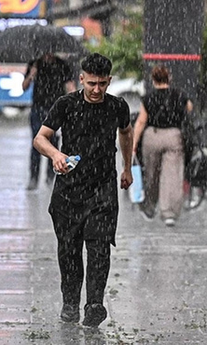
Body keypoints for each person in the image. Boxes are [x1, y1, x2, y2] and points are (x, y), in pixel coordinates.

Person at [33, 53, 133, 327]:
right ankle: (69, 301)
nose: (97, 89)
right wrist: (55, 155)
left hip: (103, 187)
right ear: (81, 79)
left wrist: (127, 166)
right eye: (91, 83)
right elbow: (40, 138)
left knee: (100, 248)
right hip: (69, 189)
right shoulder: (66, 105)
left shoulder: (117, 106)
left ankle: (94, 304)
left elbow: (126, 132)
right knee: (69, 250)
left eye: (102, 83)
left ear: (109, 81)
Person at [132, 65, 193, 227]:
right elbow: (189, 108)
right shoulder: (179, 95)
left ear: (153, 80)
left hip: (152, 136)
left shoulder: (148, 97)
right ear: (169, 78)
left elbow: (141, 121)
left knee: (152, 174)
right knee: (172, 175)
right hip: (174, 136)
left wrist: (133, 143)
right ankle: (169, 213)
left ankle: (150, 206)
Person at [23, 52, 76, 190]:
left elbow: (70, 85)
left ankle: (51, 177)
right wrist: (31, 75)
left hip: (56, 110)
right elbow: (24, 86)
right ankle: (34, 178)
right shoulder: (35, 63)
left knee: (54, 144)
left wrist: (75, 102)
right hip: (38, 108)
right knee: (37, 143)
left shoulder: (62, 65)